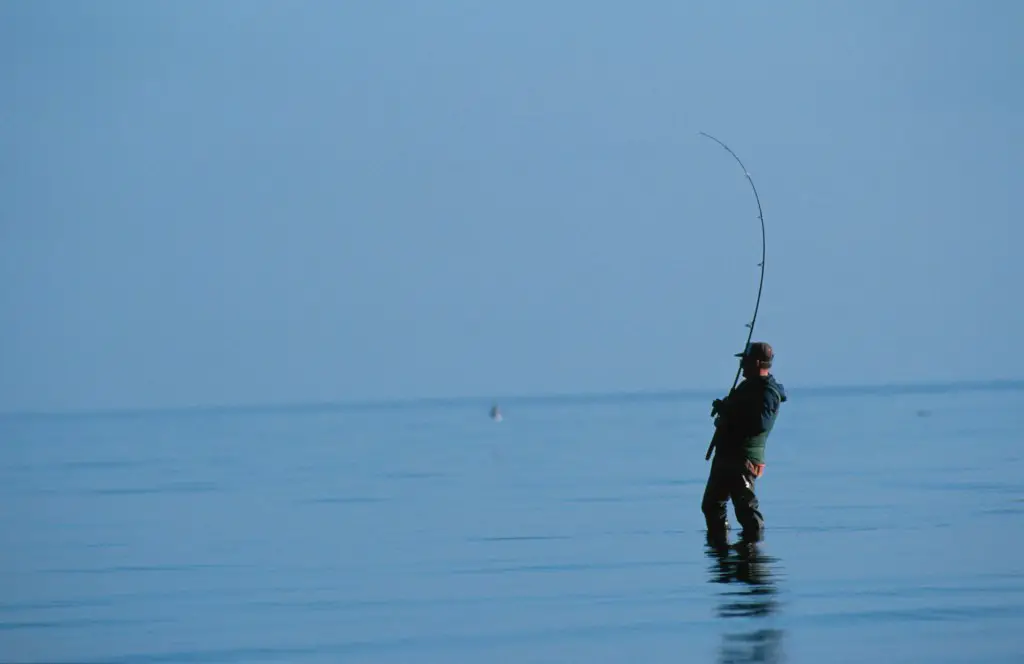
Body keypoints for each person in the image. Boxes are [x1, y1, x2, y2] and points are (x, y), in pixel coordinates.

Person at [701, 341, 787, 541]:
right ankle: (721, 552)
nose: (741, 365)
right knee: (712, 505)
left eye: (745, 361)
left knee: (745, 509)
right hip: (728, 455)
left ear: (757, 363)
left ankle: (752, 557)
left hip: (743, 458)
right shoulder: (748, 387)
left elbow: (759, 424)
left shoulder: (767, 392)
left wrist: (730, 412)